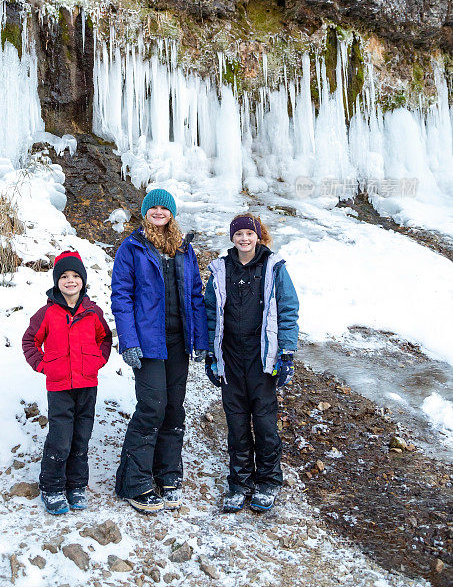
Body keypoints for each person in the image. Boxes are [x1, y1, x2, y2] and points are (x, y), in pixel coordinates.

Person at [112, 188, 209, 514]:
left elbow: (195, 295)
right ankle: (135, 482)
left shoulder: (184, 248)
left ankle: (167, 474)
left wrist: (199, 340)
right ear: (145, 212)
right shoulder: (132, 247)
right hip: (148, 342)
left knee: (173, 408)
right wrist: (129, 341)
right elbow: (121, 297)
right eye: (152, 207)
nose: (158, 211)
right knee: (152, 407)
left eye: (163, 208)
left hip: (178, 341)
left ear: (171, 213)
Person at [204, 213, 299, 513]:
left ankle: (268, 480)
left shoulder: (273, 267)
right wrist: (210, 355)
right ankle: (240, 483)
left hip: (262, 359)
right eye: (239, 234)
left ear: (259, 236)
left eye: (249, 234)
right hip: (230, 357)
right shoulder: (220, 269)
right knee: (236, 424)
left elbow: (287, 310)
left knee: (265, 422)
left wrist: (286, 353)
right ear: (232, 238)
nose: (244, 239)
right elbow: (210, 313)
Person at [22, 250, 112, 515]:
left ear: (83, 280)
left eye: (75, 276)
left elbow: (104, 338)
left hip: (87, 385)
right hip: (59, 386)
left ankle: (76, 486)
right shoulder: (47, 313)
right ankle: (51, 487)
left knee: (81, 438)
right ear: (56, 281)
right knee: (60, 439)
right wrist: (42, 365)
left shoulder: (92, 312)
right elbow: (30, 341)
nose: (70, 281)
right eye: (64, 276)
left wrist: (98, 360)